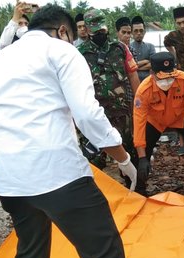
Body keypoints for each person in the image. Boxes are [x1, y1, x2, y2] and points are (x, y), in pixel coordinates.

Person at [0, 4, 135, 258]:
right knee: (104, 254)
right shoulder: (62, 50)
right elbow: (86, 114)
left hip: (11, 182)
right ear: (63, 31)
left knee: (30, 253)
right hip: (58, 174)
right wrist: (122, 158)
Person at [77, 9, 140, 182]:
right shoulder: (79, 53)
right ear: (88, 29)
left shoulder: (120, 48)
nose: (99, 33)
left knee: (128, 153)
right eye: (95, 29)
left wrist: (138, 103)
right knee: (94, 159)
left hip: (121, 111)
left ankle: (134, 188)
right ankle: (97, 195)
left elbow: (133, 75)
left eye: (102, 29)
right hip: (95, 115)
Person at [133, 52, 184, 195]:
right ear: (152, 73)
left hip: (180, 117)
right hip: (155, 121)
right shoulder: (143, 90)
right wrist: (142, 158)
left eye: (171, 76)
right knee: (137, 153)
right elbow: (139, 123)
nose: (168, 81)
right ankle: (138, 189)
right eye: (163, 78)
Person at [130, 15, 156, 82]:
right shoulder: (127, 48)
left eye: (141, 31)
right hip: (134, 83)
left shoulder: (151, 47)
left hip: (149, 82)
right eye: (136, 31)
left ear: (144, 32)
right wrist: (146, 61)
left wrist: (136, 67)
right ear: (132, 32)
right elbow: (128, 66)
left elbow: (153, 64)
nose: (139, 33)